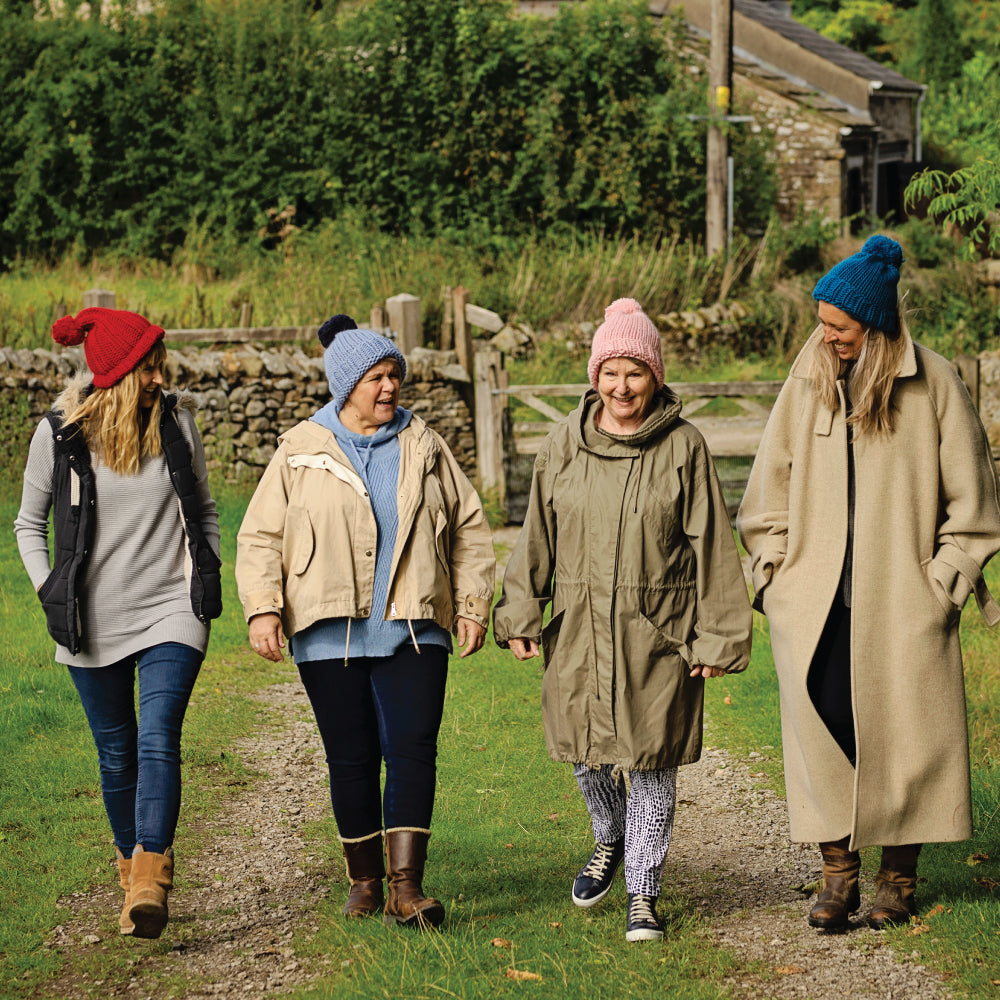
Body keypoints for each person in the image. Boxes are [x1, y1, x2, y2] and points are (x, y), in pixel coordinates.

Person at [738, 235, 1000, 930]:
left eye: (839, 328)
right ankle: (837, 873)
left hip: (904, 600)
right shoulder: (808, 378)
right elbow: (768, 489)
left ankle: (897, 880)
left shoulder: (936, 382)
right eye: (822, 324)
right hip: (815, 601)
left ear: (875, 325)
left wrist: (943, 583)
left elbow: (974, 503)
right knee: (827, 729)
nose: (826, 337)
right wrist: (772, 578)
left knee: (906, 733)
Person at [493, 298, 752, 942]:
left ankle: (644, 890)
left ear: (655, 375)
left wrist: (716, 633)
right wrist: (523, 610)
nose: (622, 386)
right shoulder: (562, 445)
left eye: (635, 371)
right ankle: (607, 839)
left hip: (657, 630)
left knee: (651, 758)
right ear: (594, 374)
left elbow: (713, 543)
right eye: (611, 371)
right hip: (580, 625)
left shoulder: (684, 448)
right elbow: (536, 537)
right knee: (585, 754)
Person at [235, 315, 495, 929]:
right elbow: (260, 536)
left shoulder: (424, 444)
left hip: (413, 627)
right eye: (377, 377)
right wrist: (263, 607)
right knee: (349, 758)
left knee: (411, 749)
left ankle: (408, 887)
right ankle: (364, 884)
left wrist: (471, 604)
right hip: (327, 629)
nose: (389, 388)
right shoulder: (301, 448)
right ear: (346, 383)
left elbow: (469, 530)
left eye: (394, 376)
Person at [14, 307, 222, 940]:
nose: (162, 376)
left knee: (159, 735)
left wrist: (200, 573)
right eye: (150, 365)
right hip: (90, 619)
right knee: (116, 756)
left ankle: (149, 882)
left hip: (170, 610)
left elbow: (205, 509)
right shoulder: (60, 434)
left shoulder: (179, 424)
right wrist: (50, 588)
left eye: (161, 362)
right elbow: (28, 524)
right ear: (119, 373)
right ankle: (132, 868)